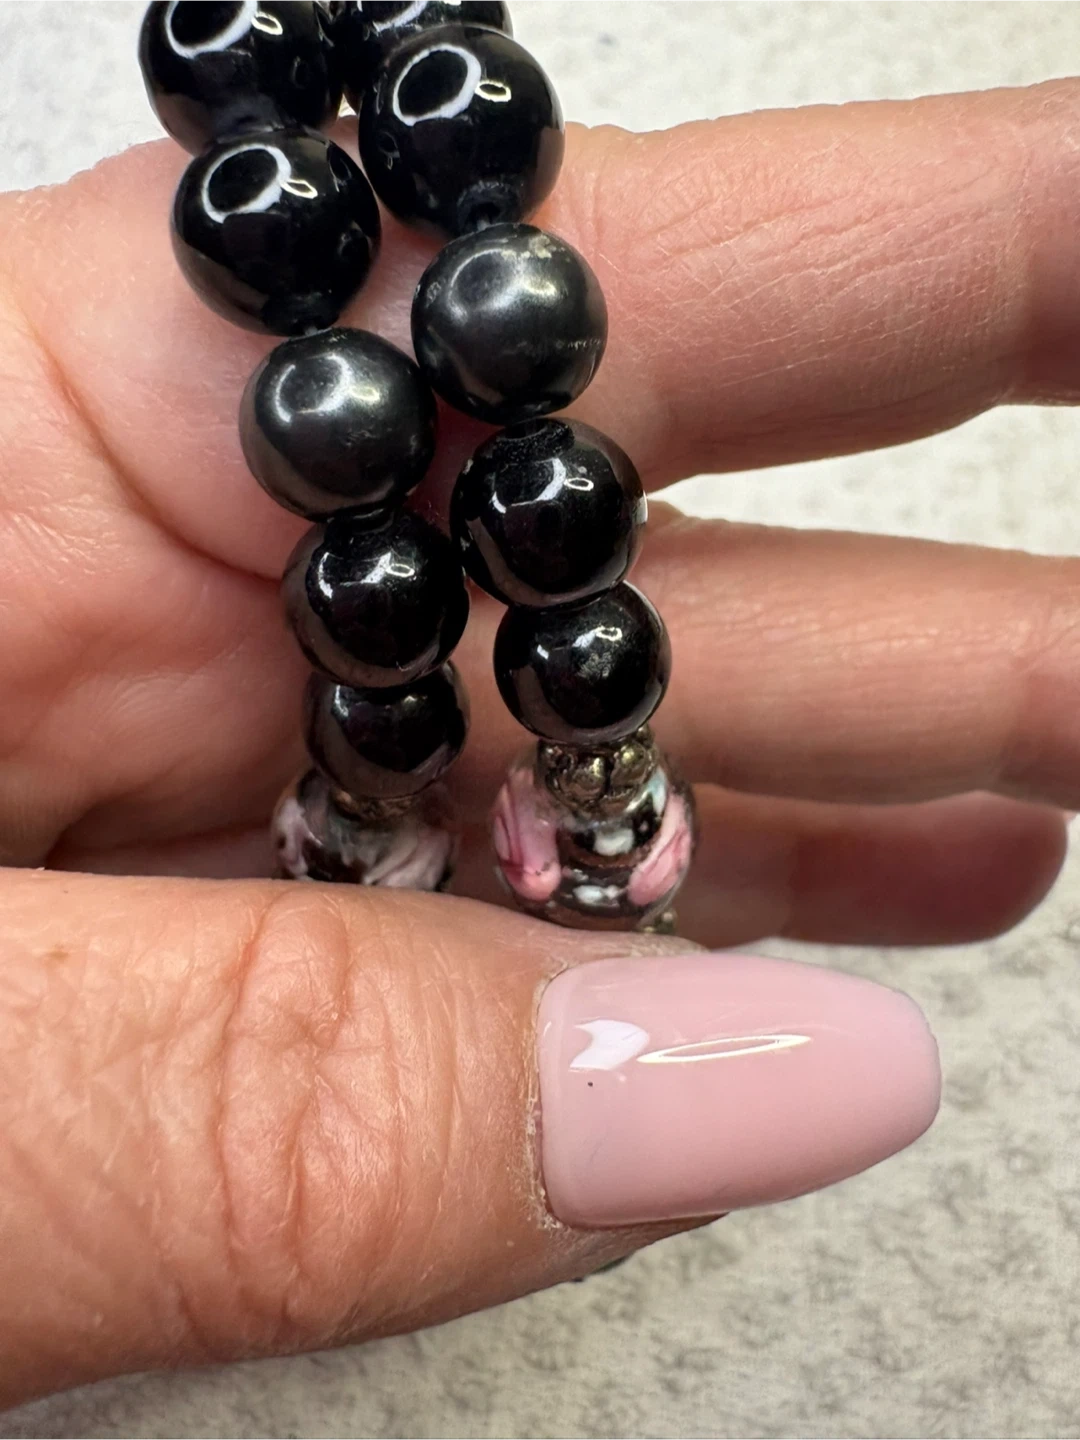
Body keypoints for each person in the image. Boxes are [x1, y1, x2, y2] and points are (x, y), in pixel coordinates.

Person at [0, 81, 1076, 1407]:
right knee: (441, 711)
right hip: (410, 769)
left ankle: (489, 838)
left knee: (511, 708)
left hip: (450, 770)